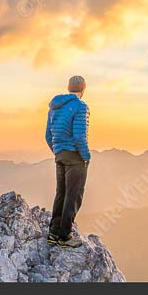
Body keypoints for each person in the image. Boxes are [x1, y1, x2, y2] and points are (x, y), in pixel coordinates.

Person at [45, 75, 91, 247]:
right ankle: (65, 237)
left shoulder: (54, 107)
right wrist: (86, 157)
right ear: (83, 89)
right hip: (75, 157)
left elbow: (48, 135)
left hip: (60, 155)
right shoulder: (81, 107)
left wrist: (58, 151)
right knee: (73, 196)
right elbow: (80, 136)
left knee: (61, 193)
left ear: (68, 88)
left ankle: (53, 232)